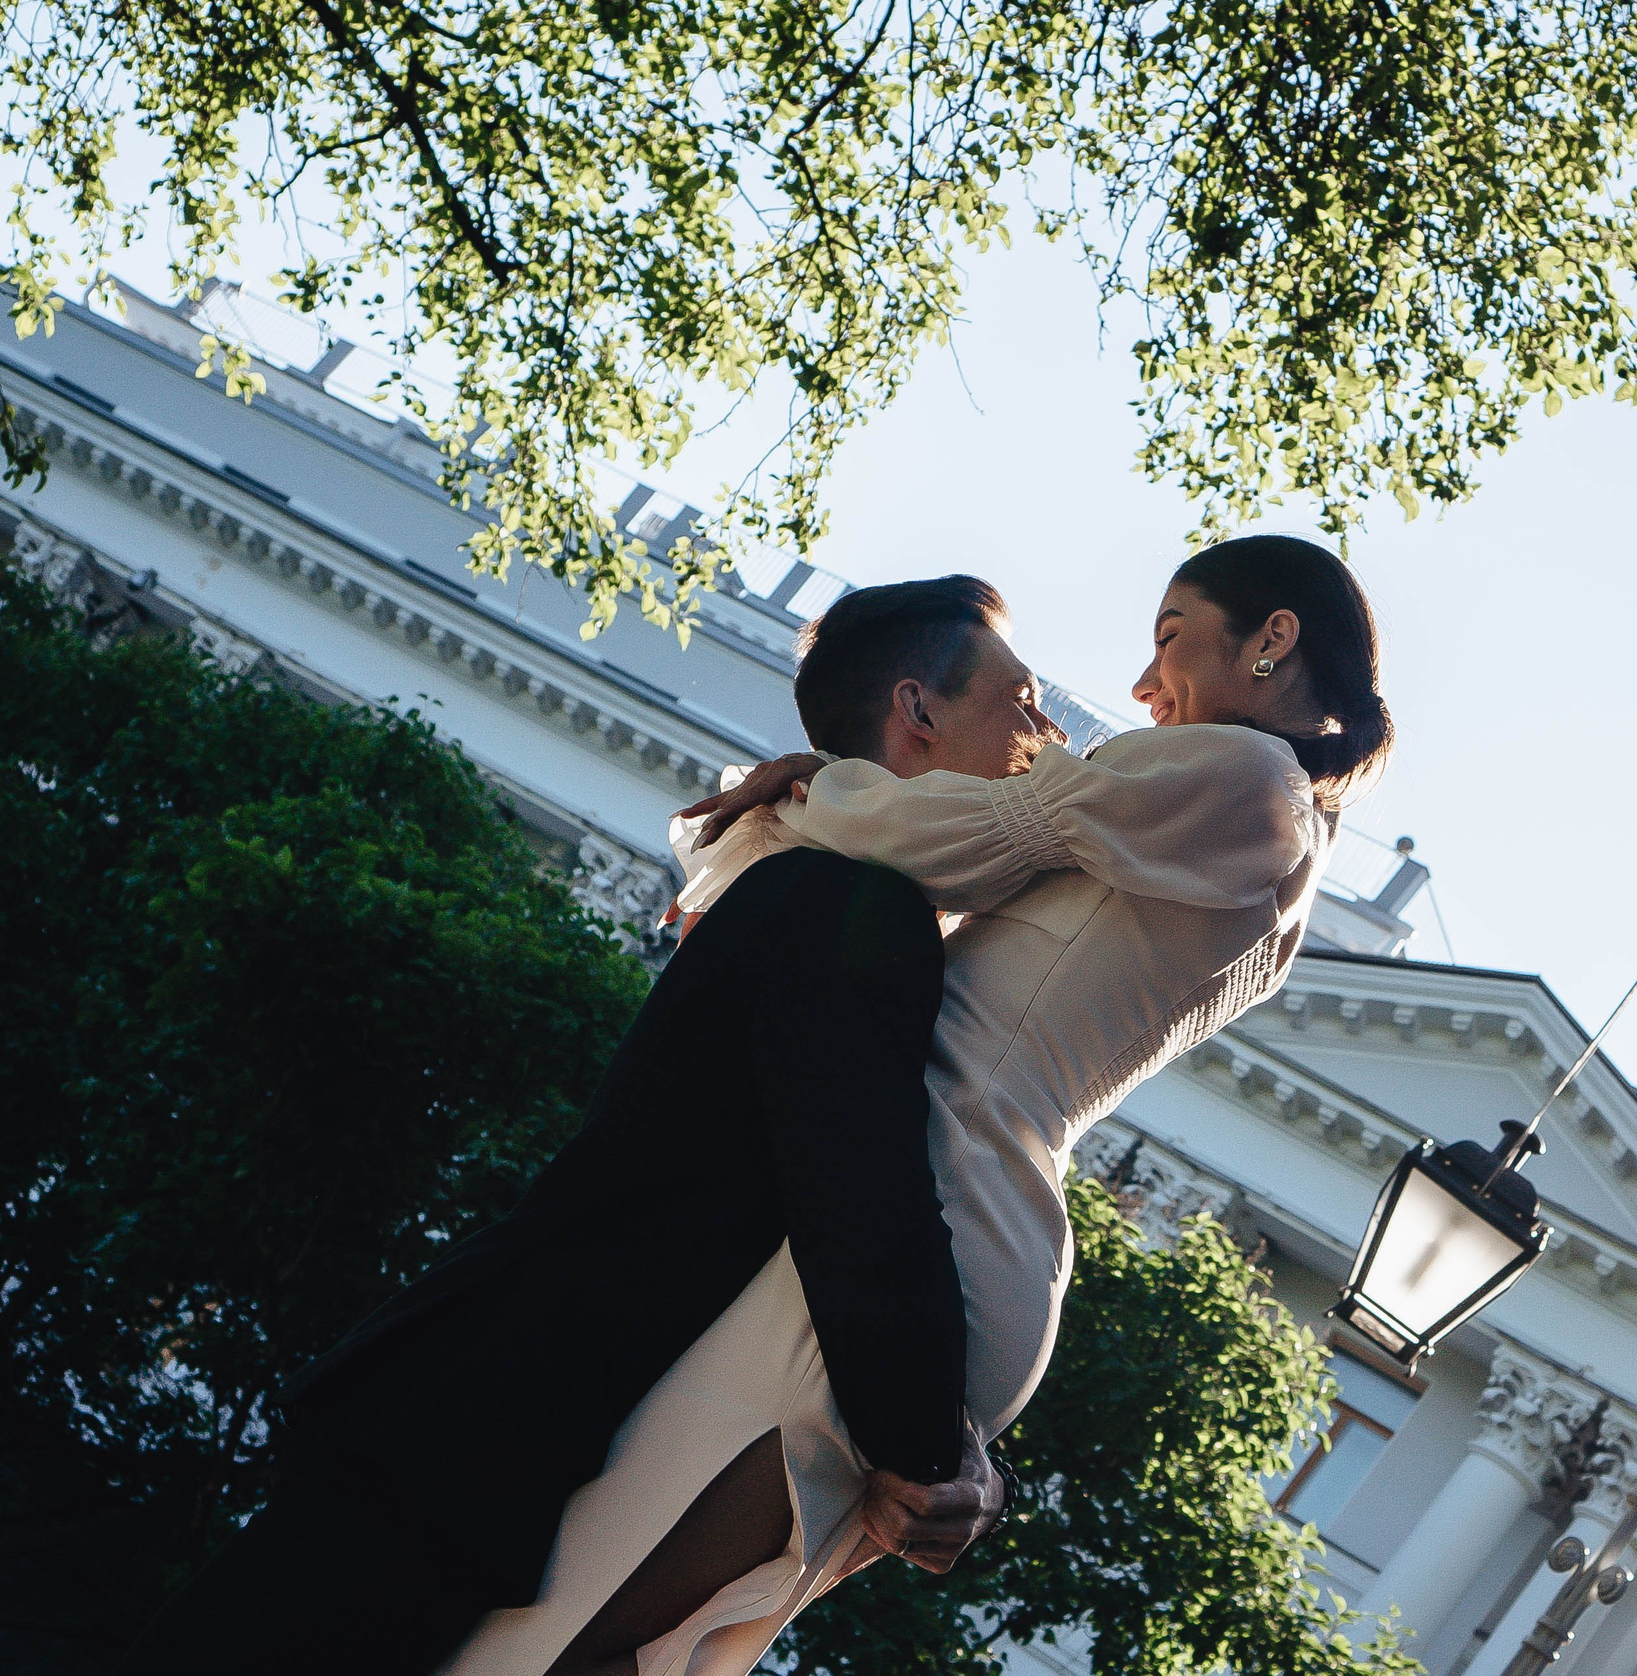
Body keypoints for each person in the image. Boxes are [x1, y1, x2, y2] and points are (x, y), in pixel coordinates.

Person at [455, 533, 1396, 1676]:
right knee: (629, 1640)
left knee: (584, 1623)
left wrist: (808, 785)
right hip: (940, 1221)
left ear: (1274, 639)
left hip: (928, 1227)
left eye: (1168, 639)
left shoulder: (1246, 780)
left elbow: (949, 832)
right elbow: (948, 861)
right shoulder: (1222, 806)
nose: (1143, 685)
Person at [115, 577, 1034, 1676]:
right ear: (918, 712)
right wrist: (939, 1460)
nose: (1048, 735)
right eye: (1022, 701)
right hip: (481, 1436)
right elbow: (863, 1209)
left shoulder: (809, 883)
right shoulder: (849, 902)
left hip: (480, 1425)